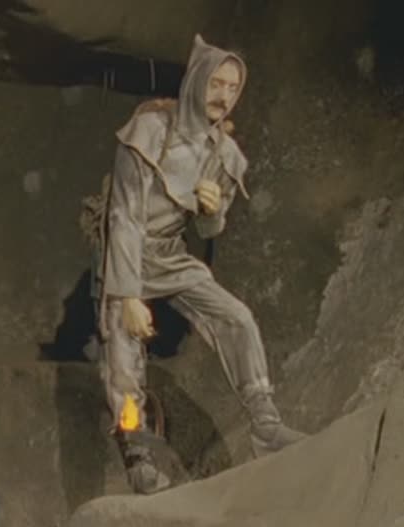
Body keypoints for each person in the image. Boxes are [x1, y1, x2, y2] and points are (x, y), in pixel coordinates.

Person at [96, 34, 306, 493]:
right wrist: (128, 295)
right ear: (196, 81)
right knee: (124, 351)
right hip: (127, 252)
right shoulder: (149, 131)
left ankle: (265, 424)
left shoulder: (223, 154)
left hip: (170, 253)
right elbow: (123, 216)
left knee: (237, 317)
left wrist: (212, 212)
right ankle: (137, 454)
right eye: (216, 83)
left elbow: (210, 230)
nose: (223, 96)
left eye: (232, 87)